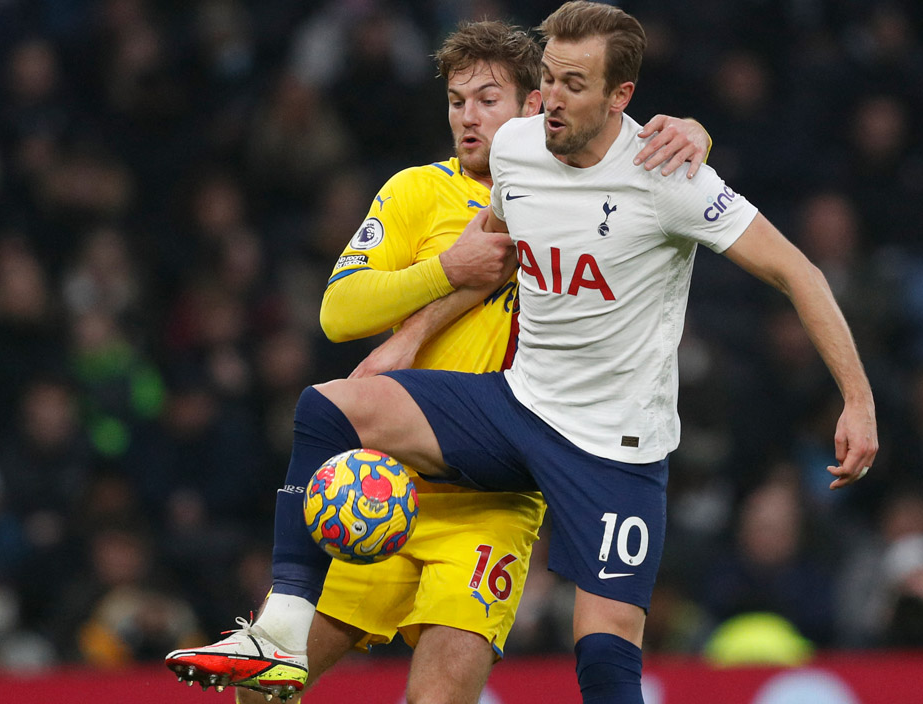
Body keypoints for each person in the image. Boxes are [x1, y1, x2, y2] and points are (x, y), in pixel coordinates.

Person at [166, 18, 713, 703]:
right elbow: (339, 314)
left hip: (492, 504)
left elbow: (652, 146)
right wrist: (444, 269)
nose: (468, 118)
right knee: (260, 691)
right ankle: (275, 631)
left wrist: (695, 128)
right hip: (382, 487)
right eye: (457, 101)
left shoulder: (573, 192)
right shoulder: (416, 191)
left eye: (488, 99)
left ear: (533, 106)